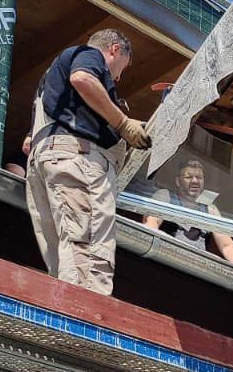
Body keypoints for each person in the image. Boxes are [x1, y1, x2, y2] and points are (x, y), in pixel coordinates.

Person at [25, 27, 151, 296]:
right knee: (89, 258)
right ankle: (83, 324)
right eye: (122, 68)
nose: (118, 77)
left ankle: (65, 320)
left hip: (47, 159)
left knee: (66, 260)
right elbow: (83, 78)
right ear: (115, 49)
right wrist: (122, 123)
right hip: (77, 158)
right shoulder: (88, 55)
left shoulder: (48, 83)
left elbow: (28, 143)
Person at [143, 155, 233, 267]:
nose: (195, 181)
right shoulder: (165, 196)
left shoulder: (210, 209)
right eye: (188, 177)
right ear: (178, 181)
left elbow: (226, 244)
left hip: (196, 269)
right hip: (164, 263)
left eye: (199, 177)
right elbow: (151, 222)